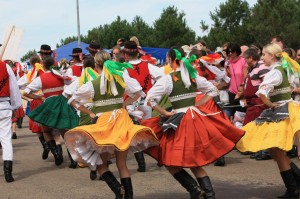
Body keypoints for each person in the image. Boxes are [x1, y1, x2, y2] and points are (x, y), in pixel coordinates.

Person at [142, 46, 244, 199]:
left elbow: (149, 98)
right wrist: (198, 105)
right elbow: (213, 90)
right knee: (195, 162)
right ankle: (208, 195)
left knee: (169, 160)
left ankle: (195, 190)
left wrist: (165, 112)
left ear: (170, 60)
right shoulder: (192, 75)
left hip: (179, 120)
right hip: (194, 118)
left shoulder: (169, 79)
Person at [65, 60, 159, 199]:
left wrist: (90, 113)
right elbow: (139, 93)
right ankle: (128, 196)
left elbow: (72, 100)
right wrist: (124, 104)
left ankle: (117, 189)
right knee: (122, 164)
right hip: (121, 120)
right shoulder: (121, 80)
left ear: (96, 67)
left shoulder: (93, 84)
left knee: (101, 165)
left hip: (103, 123)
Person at [236, 43, 300, 198]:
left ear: (272, 55)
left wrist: (270, 104)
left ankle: (293, 189)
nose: (262, 57)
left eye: (264, 54)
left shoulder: (274, 72)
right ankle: (296, 183)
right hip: (286, 109)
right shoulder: (281, 69)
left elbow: (261, 92)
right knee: (275, 151)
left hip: (280, 111)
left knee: (277, 152)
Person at [23, 56, 78, 167]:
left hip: (49, 104)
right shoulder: (60, 75)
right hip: (62, 102)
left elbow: (26, 92)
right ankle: (73, 160)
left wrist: (39, 98)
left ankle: (57, 153)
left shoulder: (41, 78)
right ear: (54, 63)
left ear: (43, 65)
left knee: (46, 131)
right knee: (64, 132)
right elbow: (76, 80)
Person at [122, 41, 164, 172]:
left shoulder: (122, 68)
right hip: (145, 103)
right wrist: (154, 93)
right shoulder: (148, 66)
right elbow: (164, 77)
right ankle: (160, 157)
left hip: (130, 104)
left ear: (125, 55)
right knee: (147, 131)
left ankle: (142, 164)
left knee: (134, 134)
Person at [0, 59, 22, 182]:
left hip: (4, 105)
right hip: (3, 106)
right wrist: (14, 106)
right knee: (6, 139)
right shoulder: (6, 67)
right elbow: (14, 89)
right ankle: (8, 173)